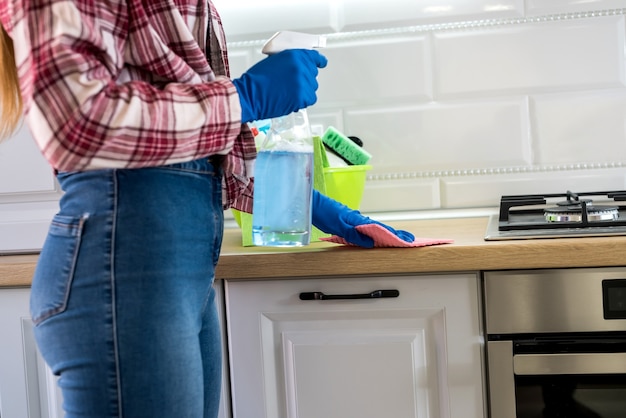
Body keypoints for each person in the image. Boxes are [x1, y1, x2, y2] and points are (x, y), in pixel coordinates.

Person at [0, 1, 413, 417]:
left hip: (169, 271)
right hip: (125, 267)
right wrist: (242, 98)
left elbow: (184, 155)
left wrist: (312, 205)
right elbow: (78, 122)